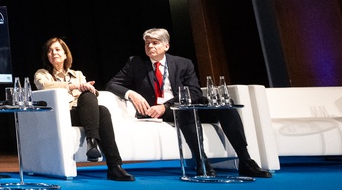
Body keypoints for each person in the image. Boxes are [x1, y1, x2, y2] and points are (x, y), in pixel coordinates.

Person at [105, 28, 272, 178]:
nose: (150, 47)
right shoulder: (136, 63)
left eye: (155, 43)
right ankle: (201, 161)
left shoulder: (183, 63)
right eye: (147, 43)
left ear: (166, 46)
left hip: (177, 105)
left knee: (225, 106)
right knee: (184, 110)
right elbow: (112, 84)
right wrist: (131, 93)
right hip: (161, 111)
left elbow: (194, 92)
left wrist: (166, 105)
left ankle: (245, 160)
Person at [33, 37, 134, 181]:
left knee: (100, 108)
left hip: (84, 113)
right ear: (47, 56)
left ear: (65, 54)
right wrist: (72, 86)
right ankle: (102, 153)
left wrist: (90, 88)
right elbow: (43, 86)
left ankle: (113, 164)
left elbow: (92, 96)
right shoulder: (42, 73)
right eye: (50, 51)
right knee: (100, 110)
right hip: (62, 114)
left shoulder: (78, 74)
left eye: (57, 49)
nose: (53, 53)